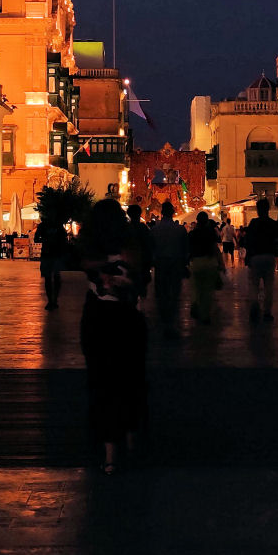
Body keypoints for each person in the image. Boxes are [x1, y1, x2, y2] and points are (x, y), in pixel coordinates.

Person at [78, 198, 147, 472]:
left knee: (101, 380)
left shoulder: (89, 246)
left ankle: (109, 453)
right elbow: (140, 277)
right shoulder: (131, 244)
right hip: (127, 317)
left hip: (97, 317)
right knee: (129, 377)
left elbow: (83, 264)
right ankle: (130, 439)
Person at [147, 200, 190, 337]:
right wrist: (185, 264)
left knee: (162, 293)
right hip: (176, 264)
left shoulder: (155, 230)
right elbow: (185, 249)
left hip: (160, 264)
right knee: (174, 293)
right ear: (173, 212)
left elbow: (150, 249)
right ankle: (171, 321)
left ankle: (163, 319)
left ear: (162, 212)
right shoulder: (180, 229)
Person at [240, 199, 278, 322]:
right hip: (269, 256)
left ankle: (254, 304)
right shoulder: (273, 224)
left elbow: (248, 241)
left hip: (255, 256)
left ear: (258, 210)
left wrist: (248, 257)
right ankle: (267, 312)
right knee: (269, 285)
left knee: (254, 284)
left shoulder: (253, 223)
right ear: (268, 209)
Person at [186, 210, 223, 325]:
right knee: (207, 290)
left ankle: (195, 303)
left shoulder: (192, 234)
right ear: (207, 221)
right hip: (209, 262)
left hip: (196, 262)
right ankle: (205, 315)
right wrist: (220, 264)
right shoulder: (211, 233)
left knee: (196, 287)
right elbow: (215, 248)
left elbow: (188, 249)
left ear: (197, 221)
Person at [36, 213, 69, 310]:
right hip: (56, 254)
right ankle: (54, 300)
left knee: (48, 278)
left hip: (47, 254)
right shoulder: (58, 225)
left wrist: (45, 239)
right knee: (56, 277)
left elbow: (36, 239)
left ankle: (51, 301)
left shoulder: (43, 225)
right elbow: (64, 239)